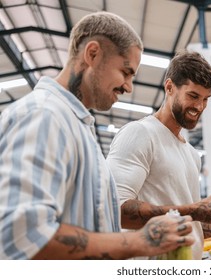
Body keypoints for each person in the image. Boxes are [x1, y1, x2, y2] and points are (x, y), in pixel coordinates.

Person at [0, 11, 194, 260]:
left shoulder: (75, 124)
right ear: (92, 54)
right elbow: (21, 234)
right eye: (125, 72)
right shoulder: (44, 116)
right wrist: (137, 241)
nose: (128, 86)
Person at [106, 50, 211, 260]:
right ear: (169, 87)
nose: (199, 106)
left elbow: (182, 219)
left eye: (205, 99)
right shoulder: (140, 133)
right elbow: (115, 209)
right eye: (193, 96)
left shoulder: (192, 153)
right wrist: (197, 210)